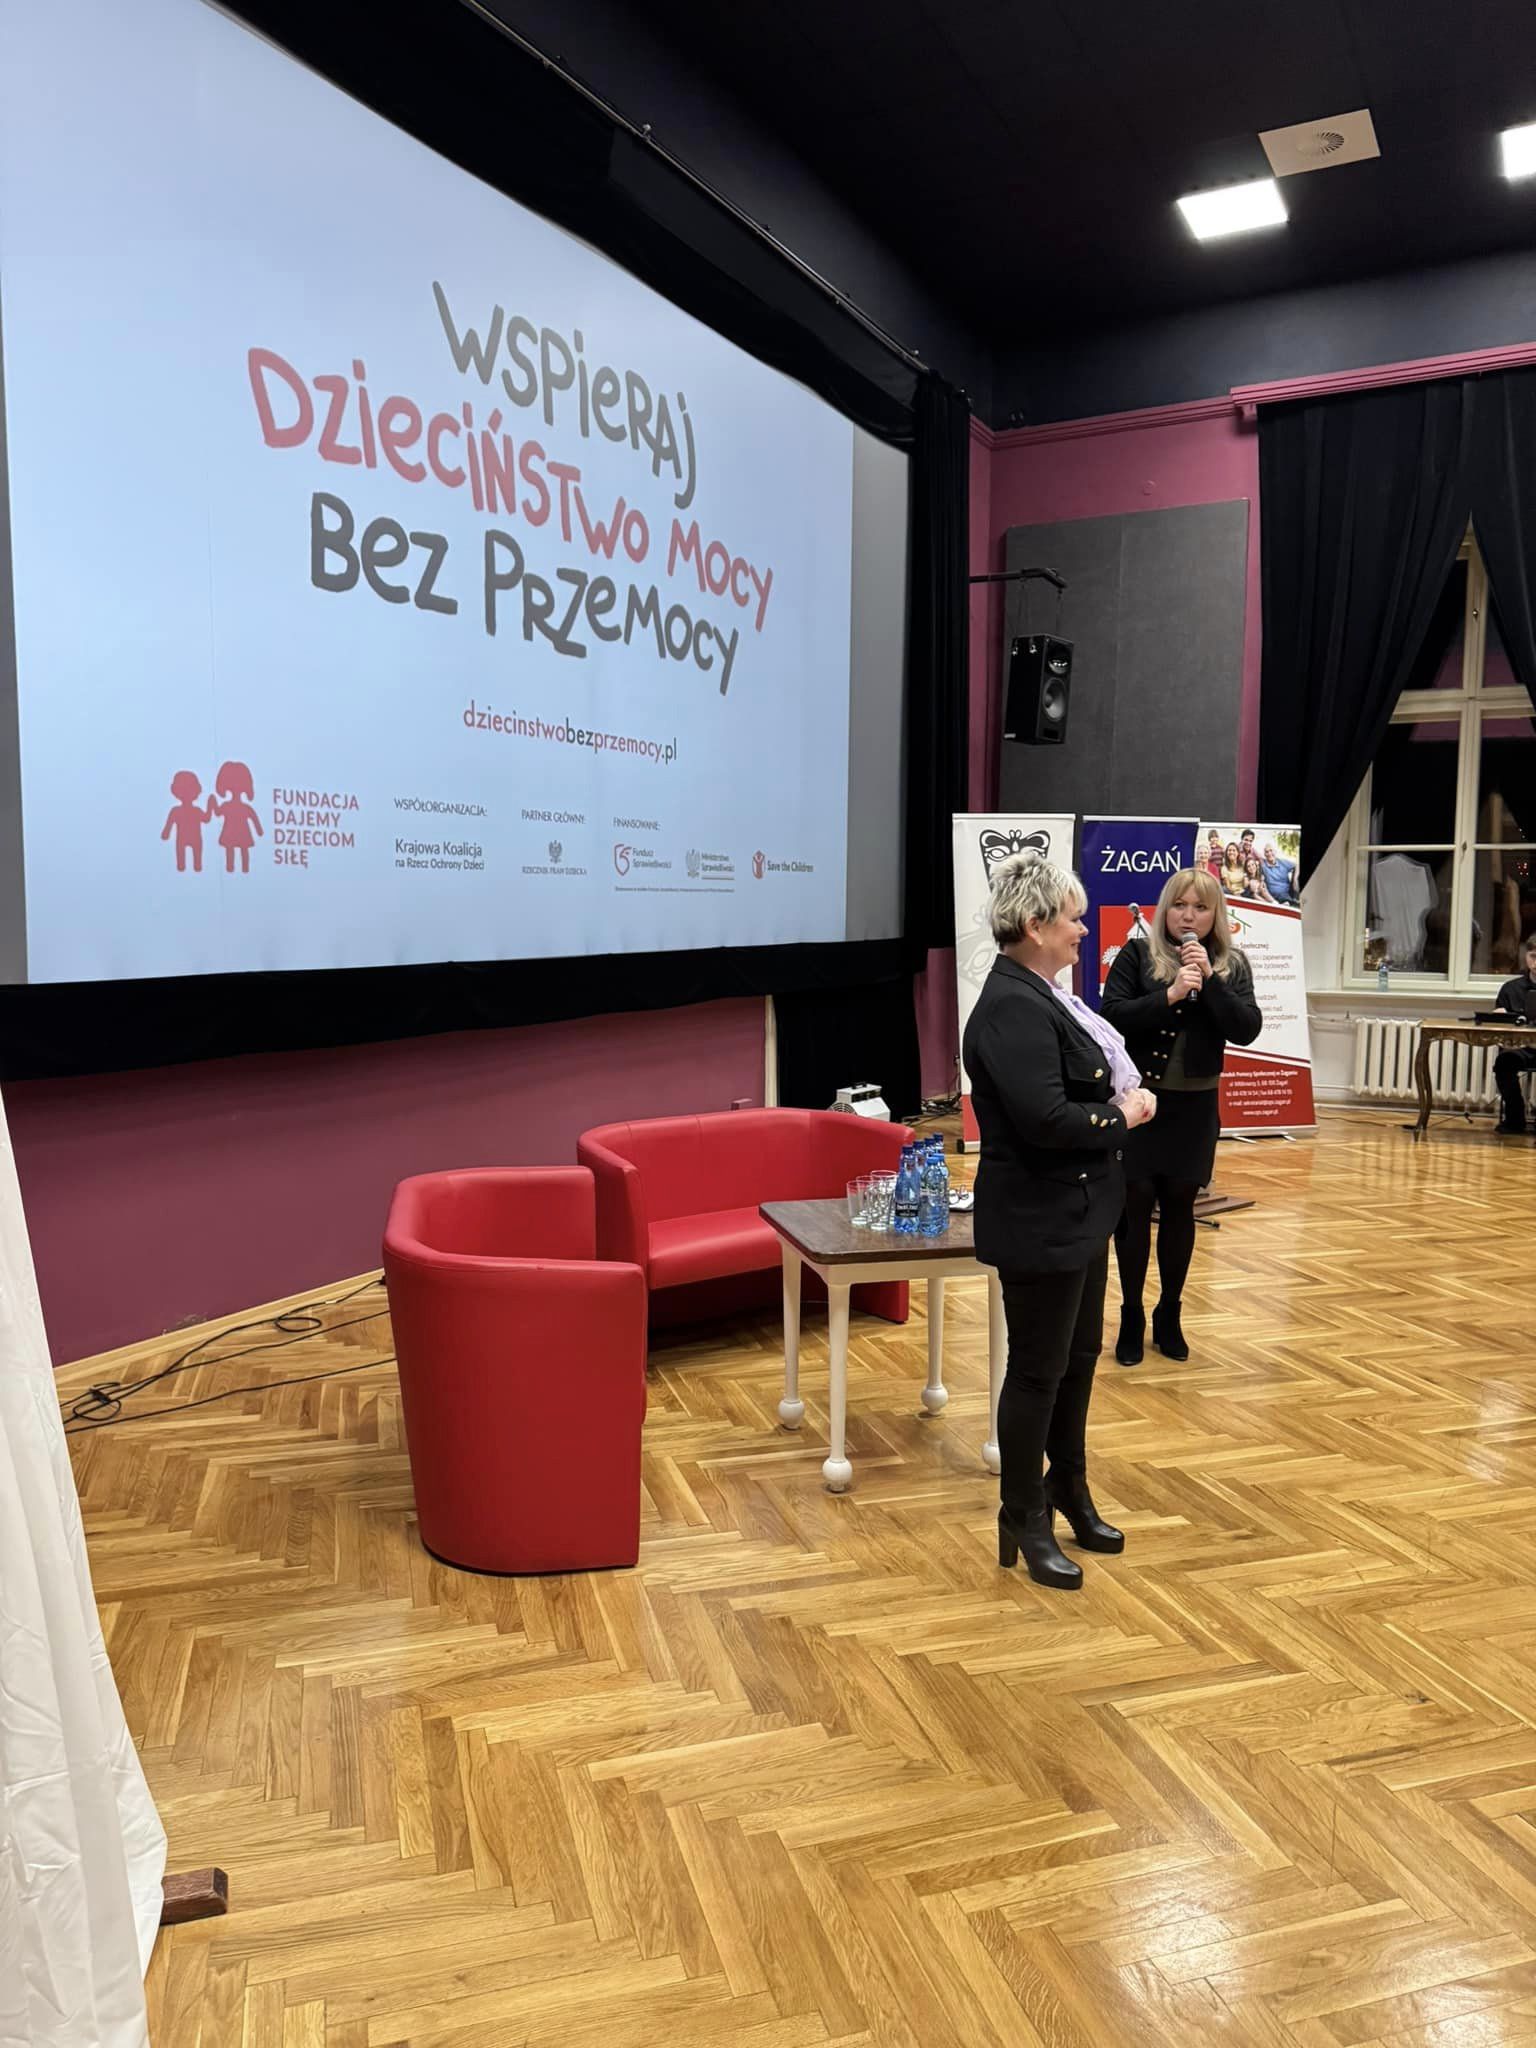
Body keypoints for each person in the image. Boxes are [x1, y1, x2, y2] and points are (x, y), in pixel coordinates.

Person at [963, 856, 1157, 1590]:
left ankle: (1066, 1486)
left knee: (1078, 1359)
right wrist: (1123, 1115)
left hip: (1081, 1212)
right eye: (1073, 918)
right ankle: (1022, 1513)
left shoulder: (1046, 996)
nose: (1082, 929)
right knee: (1036, 1373)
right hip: (1038, 1220)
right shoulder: (1011, 1007)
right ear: (1034, 925)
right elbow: (1046, 1120)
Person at [1102, 867, 1262, 1366]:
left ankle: (1169, 1312)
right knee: (1134, 1207)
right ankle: (1131, 1314)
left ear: (1216, 915)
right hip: (1142, 1106)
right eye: (1179, 905)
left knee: (1179, 1207)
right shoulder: (1136, 955)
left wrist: (1209, 981)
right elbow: (1111, 1017)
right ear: (1164, 910)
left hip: (1195, 1109)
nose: (1188, 916)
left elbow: (1246, 1029)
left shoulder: (1231, 965)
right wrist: (1169, 995)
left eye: (1200, 907)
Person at [1494, 934, 1536, 1134]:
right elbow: (1499, 1028)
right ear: (1526, 956)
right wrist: (1498, 1017)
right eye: (1533, 956)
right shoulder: (1510, 989)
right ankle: (1515, 1118)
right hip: (1520, 1047)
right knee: (1504, 1061)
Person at [1261, 840, 1297, 905]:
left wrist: (1295, 879)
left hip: (1288, 892)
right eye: (1267, 852)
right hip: (1274, 895)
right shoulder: (1263, 866)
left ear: (1275, 852)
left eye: (1271, 850)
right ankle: (1287, 902)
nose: (1269, 853)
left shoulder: (1282, 862)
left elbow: (1297, 865)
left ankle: (1291, 900)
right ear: (1264, 854)